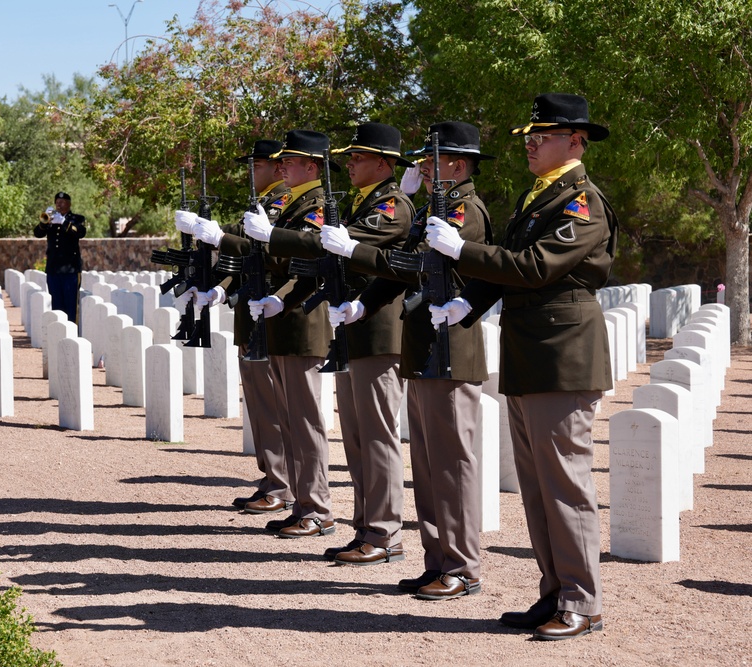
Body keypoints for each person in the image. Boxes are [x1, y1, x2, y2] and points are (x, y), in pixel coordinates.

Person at [426, 93, 618, 640]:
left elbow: (535, 267)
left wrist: (461, 251)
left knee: (565, 487)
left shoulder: (582, 202)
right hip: (531, 355)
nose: (531, 142)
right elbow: (508, 269)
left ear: (575, 141)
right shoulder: (538, 196)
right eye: (530, 134)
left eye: (545, 134)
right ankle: (554, 592)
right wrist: (470, 302)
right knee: (537, 489)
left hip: (562, 358)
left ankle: (583, 600)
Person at [322, 121, 493, 586]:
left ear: (456, 163)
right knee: (430, 466)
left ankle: (461, 566)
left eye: (430, 161)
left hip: (451, 346)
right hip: (423, 346)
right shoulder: (431, 210)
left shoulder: (465, 210)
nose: (421, 167)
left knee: (452, 465)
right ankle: (438, 562)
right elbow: (405, 267)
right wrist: (364, 303)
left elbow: (421, 263)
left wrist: (355, 248)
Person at [258, 122, 414, 564]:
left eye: (359, 157)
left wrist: (276, 236)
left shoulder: (392, 205)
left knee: (377, 439)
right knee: (358, 439)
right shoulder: (361, 203)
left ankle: (384, 533)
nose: (350, 163)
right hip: (354, 329)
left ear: (384, 163)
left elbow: (342, 247)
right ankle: (367, 529)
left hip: (379, 331)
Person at [177, 140, 295, 515]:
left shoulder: (282, 204)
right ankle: (273, 479)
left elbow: (259, 254)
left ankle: (283, 484)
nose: (250, 171)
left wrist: (215, 235)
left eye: (256, 165)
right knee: (260, 408)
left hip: (273, 313)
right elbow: (241, 262)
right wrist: (220, 290)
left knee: (274, 407)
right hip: (253, 313)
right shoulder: (260, 205)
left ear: (277, 168)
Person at [241, 129, 339, 539]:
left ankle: (317, 507)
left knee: (305, 421)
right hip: (281, 317)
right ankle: (301, 502)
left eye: (290, 161)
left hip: (303, 321)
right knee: (289, 419)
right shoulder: (293, 203)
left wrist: (270, 237)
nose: (282, 167)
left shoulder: (316, 204)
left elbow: (311, 249)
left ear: (312, 167)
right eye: (280, 162)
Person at [33, 191, 87, 323]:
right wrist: (44, 222)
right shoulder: (51, 219)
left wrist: (63, 222)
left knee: (70, 304)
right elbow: (38, 233)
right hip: (53, 268)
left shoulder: (76, 219)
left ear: (69, 204)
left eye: (62, 202)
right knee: (56, 303)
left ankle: (72, 332)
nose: (59, 205)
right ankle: (58, 332)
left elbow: (80, 232)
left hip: (70, 269)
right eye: (57, 202)